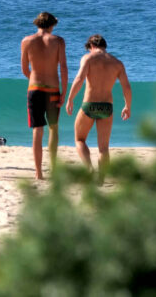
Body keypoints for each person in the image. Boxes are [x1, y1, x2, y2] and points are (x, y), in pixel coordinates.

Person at [64, 34, 131, 176]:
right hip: (106, 107)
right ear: (104, 46)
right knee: (104, 148)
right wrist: (127, 106)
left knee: (79, 139)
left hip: (89, 105)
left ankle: (89, 169)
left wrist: (70, 99)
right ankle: (101, 177)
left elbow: (79, 79)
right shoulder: (117, 63)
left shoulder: (88, 58)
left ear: (91, 46)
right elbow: (126, 87)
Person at [20, 11, 67, 180]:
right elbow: (63, 68)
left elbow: (25, 69)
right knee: (53, 127)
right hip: (53, 90)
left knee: (37, 130)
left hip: (34, 89)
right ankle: (53, 169)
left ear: (37, 24)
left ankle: (38, 172)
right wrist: (64, 92)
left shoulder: (26, 41)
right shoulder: (58, 41)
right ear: (52, 25)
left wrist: (34, 77)